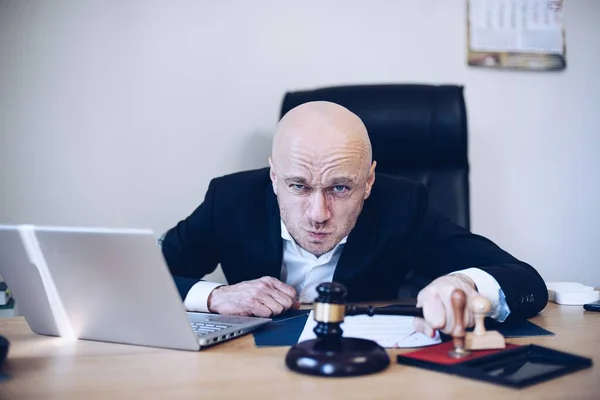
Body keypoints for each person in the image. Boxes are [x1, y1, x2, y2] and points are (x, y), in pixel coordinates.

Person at [160, 101, 548, 338]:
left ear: (369, 181)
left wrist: (465, 282)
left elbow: (524, 280)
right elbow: (144, 277)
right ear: (274, 176)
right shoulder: (230, 199)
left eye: (340, 188)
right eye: (298, 186)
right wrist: (213, 296)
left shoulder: (403, 205)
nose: (318, 215)